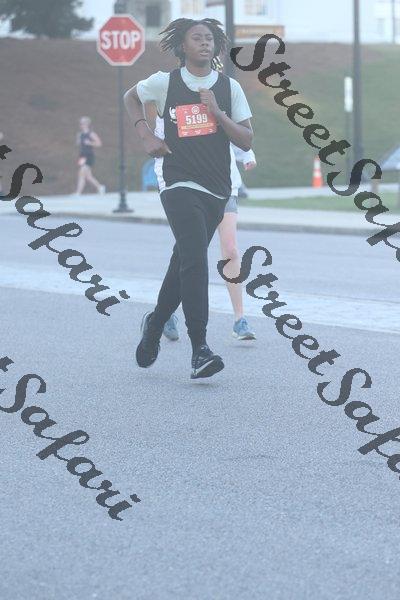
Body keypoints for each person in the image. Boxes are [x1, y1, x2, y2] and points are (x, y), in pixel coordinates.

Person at [124, 17, 254, 379]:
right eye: (197, 38)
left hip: (217, 188)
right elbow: (130, 97)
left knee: (184, 259)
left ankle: (154, 324)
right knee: (195, 258)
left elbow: (246, 139)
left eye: (209, 38)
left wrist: (217, 112)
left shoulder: (229, 88)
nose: (204, 43)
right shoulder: (165, 82)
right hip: (177, 181)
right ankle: (200, 349)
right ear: (182, 46)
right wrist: (146, 135)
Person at [147, 108, 258, 342]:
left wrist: (247, 154)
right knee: (189, 254)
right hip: (192, 188)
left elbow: (234, 131)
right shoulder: (177, 103)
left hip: (225, 185)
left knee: (231, 249)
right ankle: (165, 312)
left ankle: (240, 319)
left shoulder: (220, 99)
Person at [75, 116, 105, 195]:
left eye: (82, 123)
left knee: (81, 172)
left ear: (87, 124)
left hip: (89, 155)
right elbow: (79, 144)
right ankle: (100, 187)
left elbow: (99, 144)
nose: (81, 125)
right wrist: (79, 141)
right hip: (82, 156)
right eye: (80, 123)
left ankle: (78, 192)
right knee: (87, 176)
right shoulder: (80, 134)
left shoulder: (91, 134)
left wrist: (90, 143)